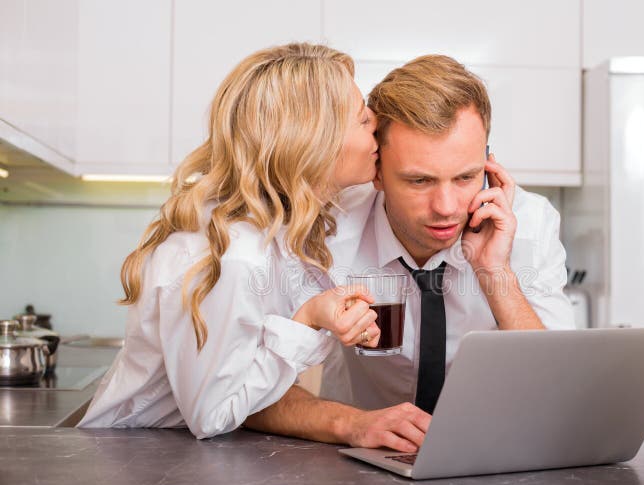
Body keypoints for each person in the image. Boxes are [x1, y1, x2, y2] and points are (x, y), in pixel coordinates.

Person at [243, 54, 575, 452]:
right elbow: (247, 392)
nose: (447, 206)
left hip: (496, 453)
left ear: (489, 163)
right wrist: (351, 424)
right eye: (420, 181)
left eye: (466, 177)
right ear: (377, 171)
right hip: (358, 459)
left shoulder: (528, 223)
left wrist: (493, 270)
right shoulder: (327, 229)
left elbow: (559, 396)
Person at [78, 43, 383, 439]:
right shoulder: (236, 256)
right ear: (312, 143)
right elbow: (214, 415)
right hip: (136, 455)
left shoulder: (272, 229)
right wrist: (308, 319)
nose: (375, 122)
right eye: (361, 119)